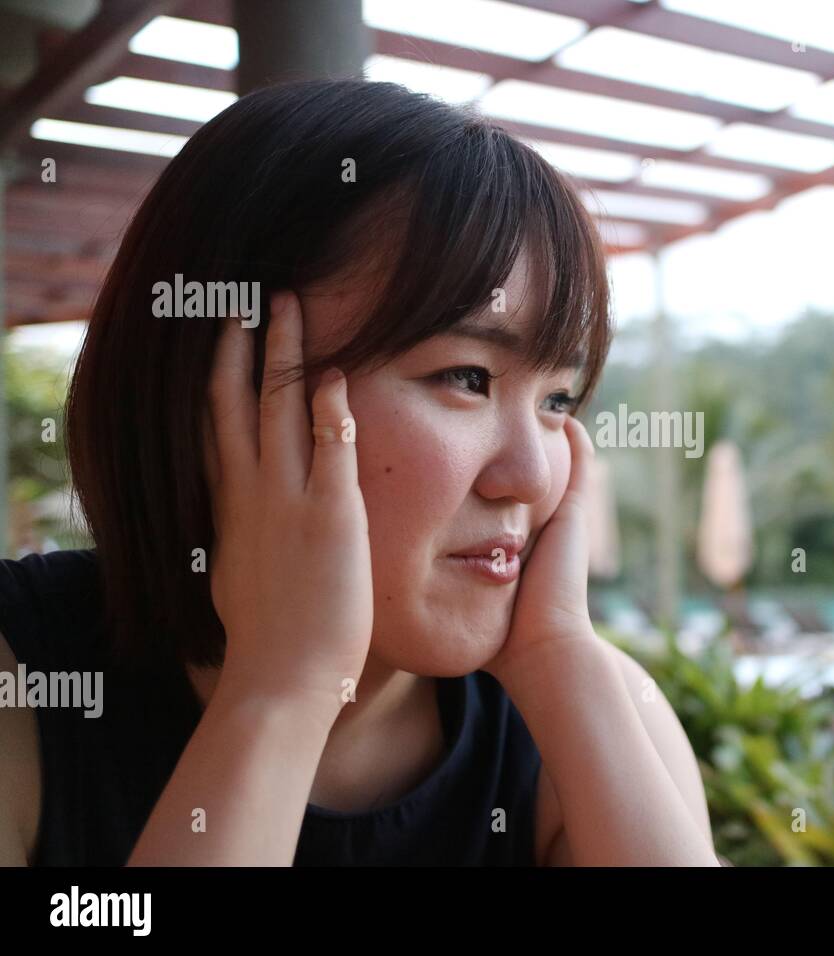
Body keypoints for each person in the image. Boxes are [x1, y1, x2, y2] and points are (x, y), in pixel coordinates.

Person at [0, 79, 717, 866]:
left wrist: (560, 668)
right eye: (468, 377)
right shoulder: (26, 689)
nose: (531, 477)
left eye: (558, 399)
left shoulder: (589, 720)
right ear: (223, 391)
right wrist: (281, 690)